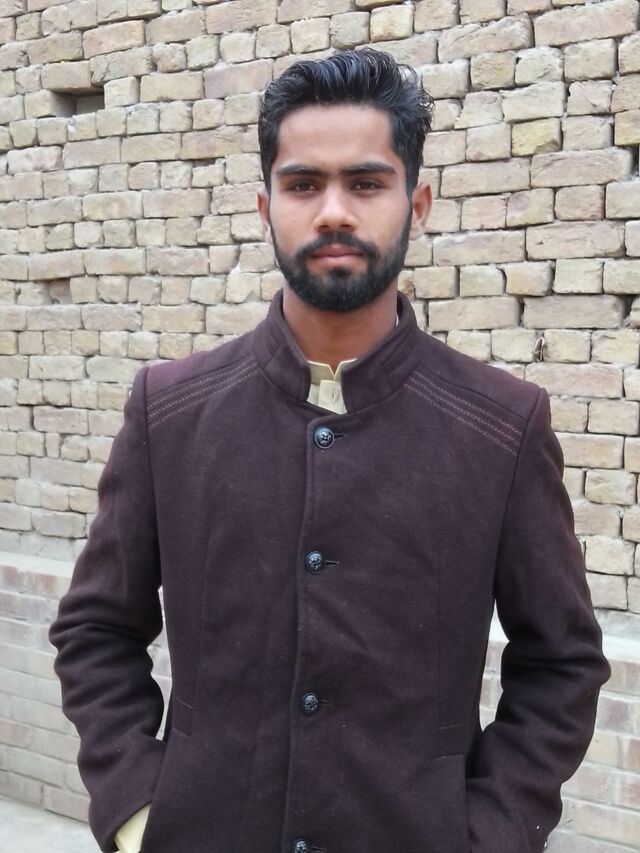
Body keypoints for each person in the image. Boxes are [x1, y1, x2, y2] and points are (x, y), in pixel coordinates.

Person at [50, 49, 610, 853]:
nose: (334, 212)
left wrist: (488, 833)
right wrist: (139, 813)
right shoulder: (169, 413)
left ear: (417, 203)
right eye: (304, 184)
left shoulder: (501, 426)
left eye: (367, 183)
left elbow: (562, 663)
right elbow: (96, 630)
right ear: (265, 204)